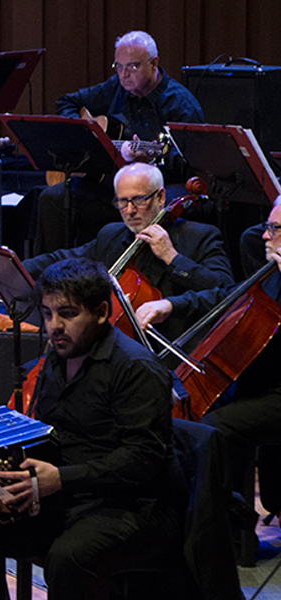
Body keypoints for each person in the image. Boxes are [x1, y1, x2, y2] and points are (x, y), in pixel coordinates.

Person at [0, 258, 176, 600]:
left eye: (67, 314)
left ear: (101, 312)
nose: (54, 326)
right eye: (47, 313)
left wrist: (60, 478)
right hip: (70, 496)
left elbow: (142, 461)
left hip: (133, 505)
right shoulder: (57, 357)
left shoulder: (136, 368)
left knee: (69, 557)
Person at [136, 198, 281, 569]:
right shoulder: (272, 270)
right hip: (257, 383)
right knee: (192, 412)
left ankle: (212, 539)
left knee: (213, 429)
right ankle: (213, 532)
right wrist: (172, 305)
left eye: (274, 229)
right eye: (268, 226)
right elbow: (227, 295)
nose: (264, 236)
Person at [0, 162, 232, 339]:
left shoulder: (200, 236)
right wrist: (6, 271)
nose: (130, 210)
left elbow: (225, 290)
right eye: (122, 202)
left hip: (173, 349)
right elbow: (64, 258)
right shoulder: (112, 234)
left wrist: (172, 258)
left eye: (139, 200)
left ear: (161, 197)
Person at [36, 30, 205, 253]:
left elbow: (192, 163)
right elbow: (66, 102)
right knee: (52, 198)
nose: (124, 74)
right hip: (109, 184)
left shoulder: (179, 104)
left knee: (139, 204)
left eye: (132, 67)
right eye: (118, 66)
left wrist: (149, 163)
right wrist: (84, 134)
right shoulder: (116, 86)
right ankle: (51, 271)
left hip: (155, 189)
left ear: (154, 63)